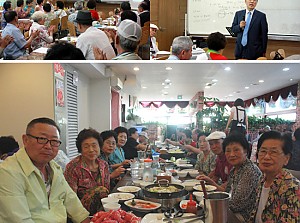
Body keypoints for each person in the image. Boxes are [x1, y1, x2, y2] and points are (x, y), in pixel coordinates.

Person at [0, 117, 90, 223]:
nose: (48, 146)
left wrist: (86, 220)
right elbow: (18, 219)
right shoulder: (8, 172)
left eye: (54, 141)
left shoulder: (54, 168)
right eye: (42, 139)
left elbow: (71, 201)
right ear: (25, 140)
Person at [249, 131, 300, 222]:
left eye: (273, 152)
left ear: (286, 158)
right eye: (263, 151)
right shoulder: (262, 180)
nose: (267, 157)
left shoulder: (293, 189)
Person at [64, 128, 110, 215]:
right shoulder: (73, 167)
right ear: (80, 149)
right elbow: (70, 198)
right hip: (81, 214)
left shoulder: (104, 165)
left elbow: (107, 190)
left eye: (94, 145)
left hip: (103, 210)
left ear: (100, 146)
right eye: (86, 146)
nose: (91, 150)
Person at [222, 133, 262, 222]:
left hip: (245, 217)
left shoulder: (250, 170)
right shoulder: (234, 169)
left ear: (245, 151)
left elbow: (236, 205)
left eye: (236, 150)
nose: (231, 154)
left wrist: (215, 205)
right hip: (232, 211)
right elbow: (227, 193)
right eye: (228, 151)